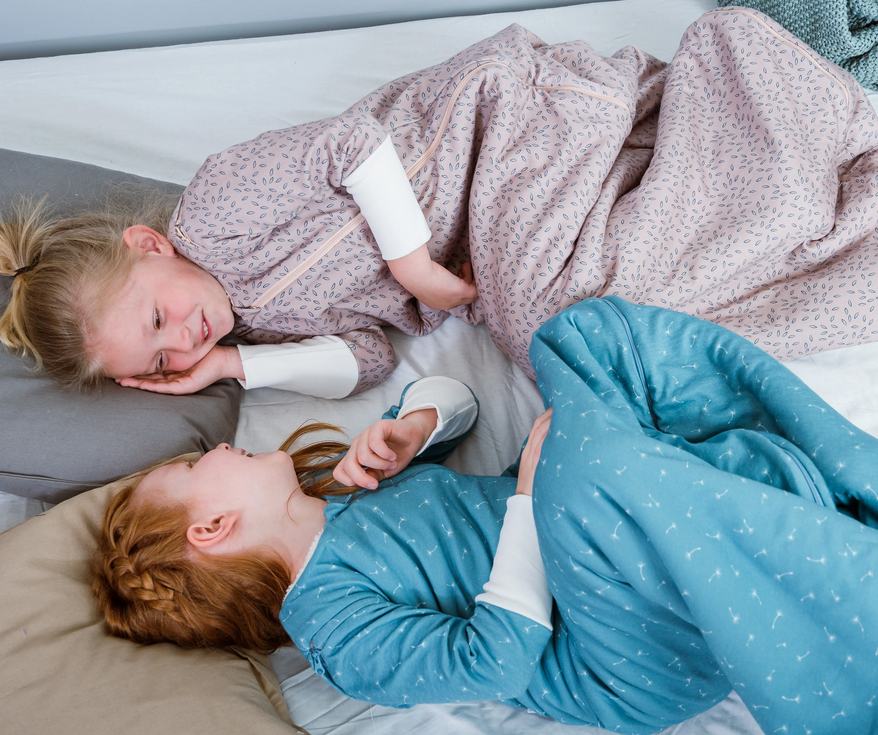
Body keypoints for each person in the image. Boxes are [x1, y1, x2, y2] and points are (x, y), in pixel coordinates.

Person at [93, 298, 878, 735]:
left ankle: (758, 491)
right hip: (616, 656)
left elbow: (463, 407)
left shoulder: (345, 493)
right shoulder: (336, 633)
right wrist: (535, 495)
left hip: (590, 535)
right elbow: (495, 659)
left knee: (578, 335)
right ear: (211, 528)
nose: (215, 448)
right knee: (587, 466)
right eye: (195, 467)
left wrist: (415, 426)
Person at [5, 8, 878, 399]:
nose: (186, 340)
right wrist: (233, 370)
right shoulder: (253, 332)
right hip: (502, 223)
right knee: (592, 334)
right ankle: (797, 229)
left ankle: (756, 109)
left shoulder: (214, 210)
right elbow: (365, 360)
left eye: (160, 319)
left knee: (549, 329)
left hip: (495, 127)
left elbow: (353, 146)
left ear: (148, 244)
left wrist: (415, 269)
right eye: (163, 360)